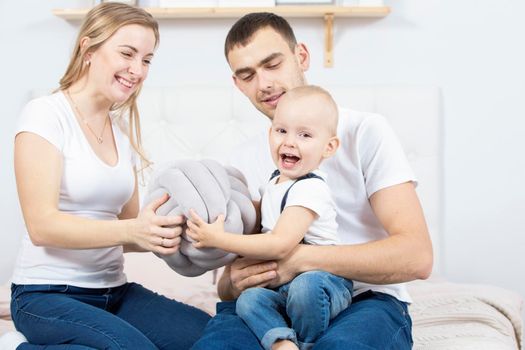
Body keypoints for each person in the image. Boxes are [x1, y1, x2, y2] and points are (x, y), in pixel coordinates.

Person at [191, 12, 433, 350]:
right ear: (237, 83)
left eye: (272, 64)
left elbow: (417, 257)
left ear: (301, 56)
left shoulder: (365, 131)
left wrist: (301, 258)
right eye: (248, 75)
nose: (264, 84)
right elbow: (227, 283)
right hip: (267, 304)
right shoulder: (237, 162)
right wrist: (232, 283)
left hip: (364, 299)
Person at [5, 3, 210, 349]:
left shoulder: (121, 133)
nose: (137, 70)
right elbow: (42, 226)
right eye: (127, 54)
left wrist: (168, 233)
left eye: (146, 60)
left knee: (215, 336)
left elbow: (130, 230)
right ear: (88, 48)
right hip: (45, 295)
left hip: (114, 291)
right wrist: (133, 230)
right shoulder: (45, 115)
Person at [188, 86, 352, 350]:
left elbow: (279, 244)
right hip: (283, 286)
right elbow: (259, 219)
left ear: (329, 147)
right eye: (281, 131)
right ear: (270, 132)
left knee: (305, 288)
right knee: (248, 300)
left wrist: (219, 239)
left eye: (305, 135)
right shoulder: (275, 182)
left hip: (324, 283)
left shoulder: (310, 188)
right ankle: (281, 341)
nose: (289, 142)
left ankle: (309, 342)